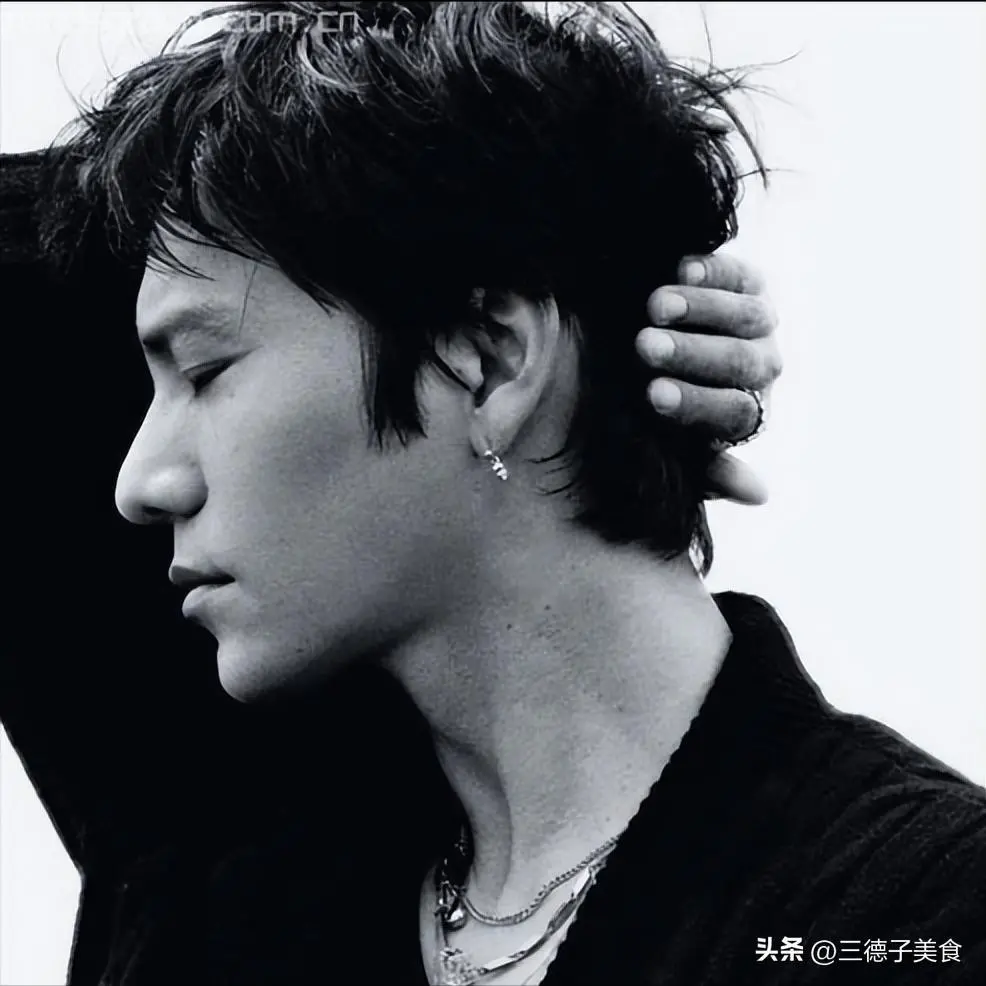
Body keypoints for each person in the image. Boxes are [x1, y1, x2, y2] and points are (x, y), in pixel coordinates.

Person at [0, 13, 783, 986]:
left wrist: (595, 292)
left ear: (490, 358)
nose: (136, 485)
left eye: (203, 372)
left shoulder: (900, 910)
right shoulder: (224, 893)